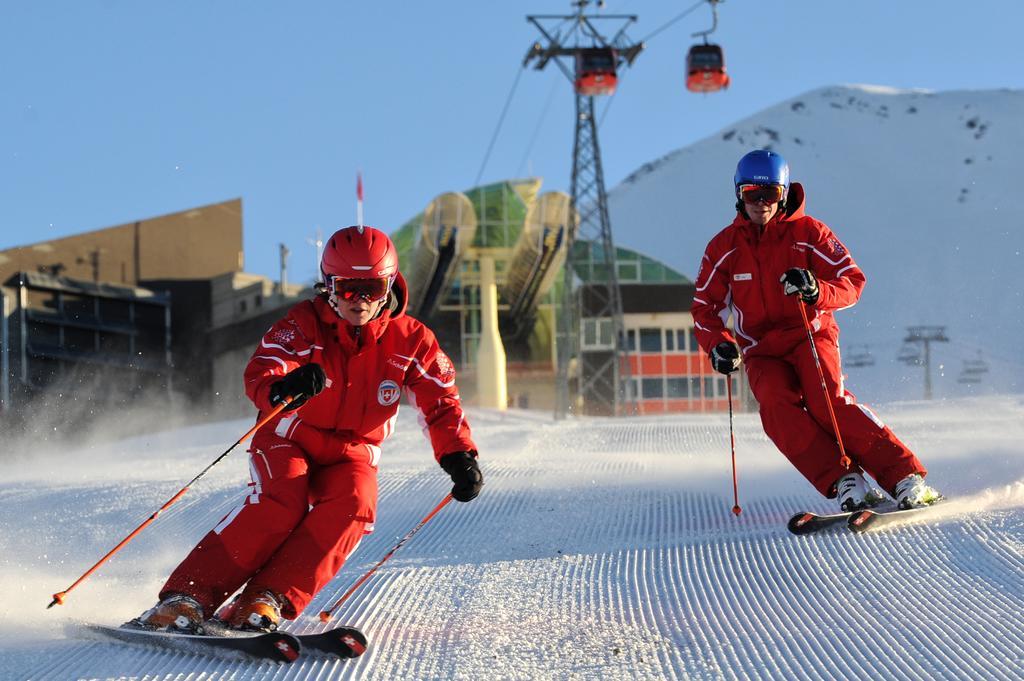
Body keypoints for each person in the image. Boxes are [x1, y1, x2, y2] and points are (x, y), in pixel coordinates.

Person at [133, 225, 483, 633]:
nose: (361, 301)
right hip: (289, 434)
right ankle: (188, 596)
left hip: (353, 450)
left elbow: (440, 402)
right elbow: (264, 368)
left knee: (356, 503)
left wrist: (458, 454)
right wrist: (284, 386)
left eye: (372, 288)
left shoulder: (412, 340)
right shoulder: (303, 324)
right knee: (281, 501)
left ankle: (266, 599)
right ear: (329, 286)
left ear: (388, 285)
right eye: (349, 289)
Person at [691, 150, 941, 512]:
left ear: (784, 192)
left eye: (770, 195)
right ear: (738, 194)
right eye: (751, 194)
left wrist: (815, 290)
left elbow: (852, 281)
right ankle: (845, 480)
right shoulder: (724, 248)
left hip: (810, 334)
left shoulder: (810, 234)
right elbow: (705, 307)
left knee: (827, 403)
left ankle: (905, 477)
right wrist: (719, 345)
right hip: (761, 350)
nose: (760, 204)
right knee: (776, 408)